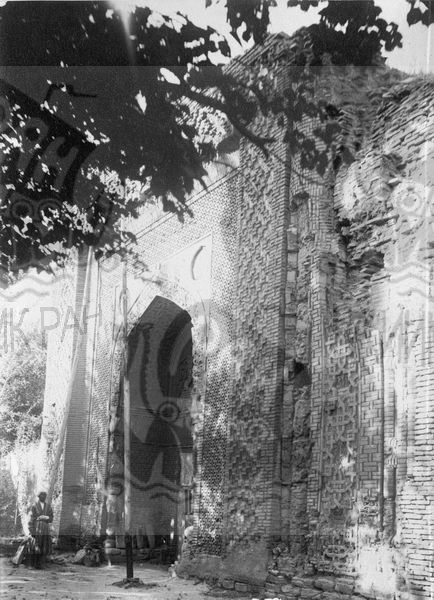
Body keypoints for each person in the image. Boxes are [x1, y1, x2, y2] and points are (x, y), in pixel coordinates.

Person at [28, 491, 53, 569]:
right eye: (42, 496)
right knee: (35, 545)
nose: (43, 497)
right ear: (39, 497)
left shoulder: (48, 506)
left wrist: (47, 517)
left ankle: (41, 564)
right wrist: (31, 530)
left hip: (45, 529)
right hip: (37, 528)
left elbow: (51, 517)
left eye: (45, 496)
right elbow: (31, 518)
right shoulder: (34, 506)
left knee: (44, 545)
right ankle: (33, 564)